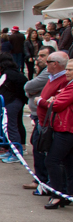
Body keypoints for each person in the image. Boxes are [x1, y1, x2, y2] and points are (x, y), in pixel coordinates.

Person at [42, 55, 73, 208]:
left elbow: (57, 105)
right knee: (68, 162)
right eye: (67, 68)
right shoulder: (69, 85)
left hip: (66, 129)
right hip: (66, 127)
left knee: (52, 160)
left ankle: (57, 195)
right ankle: (67, 194)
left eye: (70, 69)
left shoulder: (72, 87)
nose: (67, 72)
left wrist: (48, 101)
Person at [24, 46, 54, 190]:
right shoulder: (44, 72)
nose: (39, 58)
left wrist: (36, 96)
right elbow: (29, 88)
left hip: (44, 118)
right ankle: (41, 179)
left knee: (40, 147)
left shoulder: (49, 73)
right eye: (39, 55)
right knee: (36, 145)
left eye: (43, 56)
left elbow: (30, 86)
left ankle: (42, 181)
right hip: (38, 116)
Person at [0, 53, 28, 148]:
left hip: (11, 102)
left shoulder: (8, 74)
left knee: (11, 127)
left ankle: (15, 151)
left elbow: (22, 82)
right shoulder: (13, 72)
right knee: (16, 124)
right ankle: (17, 148)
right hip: (16, 101)